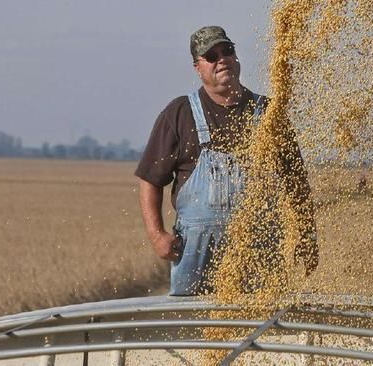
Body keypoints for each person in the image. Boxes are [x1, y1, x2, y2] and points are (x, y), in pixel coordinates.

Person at [135, 26, 317, 296]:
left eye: (227, 51)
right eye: (211, 55)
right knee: (194, 329)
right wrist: (157, 235)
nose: (222, 59)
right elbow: (150, 180)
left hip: (260, 246)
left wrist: (305, 233)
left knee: (261, 326)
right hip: (197, 251)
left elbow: (296, 182)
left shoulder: (268, 113)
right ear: (198, 67)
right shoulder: (180, 113)